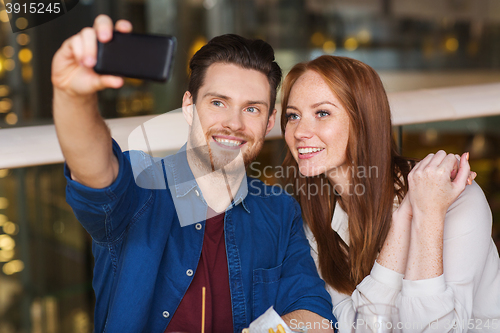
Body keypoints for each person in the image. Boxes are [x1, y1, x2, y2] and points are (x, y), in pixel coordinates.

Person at [51, 15, 336, 333]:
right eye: (218, 102)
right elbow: (93, 169)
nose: (234, 123)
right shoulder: (141, 183)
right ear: (189, 107)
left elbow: (315, 314)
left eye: (252, 109)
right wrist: (72, 97)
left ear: (269, 122)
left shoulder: (279, 210)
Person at [280, 55, 500, 332]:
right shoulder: (313, 216)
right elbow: (355, 327)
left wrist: (428, 214)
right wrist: (403, 220)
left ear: (363, 120)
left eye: (322, 113)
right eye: (293, 115)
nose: (300, 131)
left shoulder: (455, 195)